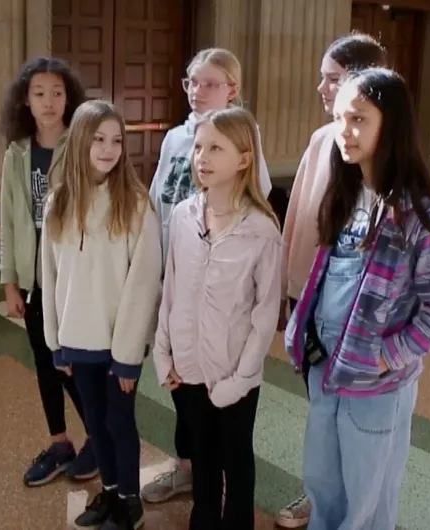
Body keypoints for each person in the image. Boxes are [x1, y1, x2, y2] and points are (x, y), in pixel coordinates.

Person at [284, 68, 430, 530]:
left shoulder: (423, 215)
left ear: (392, 125)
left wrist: (385, 356)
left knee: (368, 500)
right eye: (341, 117)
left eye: (359, 119)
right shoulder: (344, 195)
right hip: (326, 370)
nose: (345, 130)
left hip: (377, 387)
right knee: (322, 484)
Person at [143, 47, 272, 504]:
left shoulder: (258, 223)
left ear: (232, 89)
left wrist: (244, 375)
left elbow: (262, 309)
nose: (198, 90)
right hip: (182, 281)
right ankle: (189, 471)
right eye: (192, 81)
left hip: (227, 331)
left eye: (210, 82)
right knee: (193, 416)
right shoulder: (177, 149)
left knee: (231, 445)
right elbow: (160, 202)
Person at [275, 32, 387, 528]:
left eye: (333, 78)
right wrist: (288, 291)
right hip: (311, 300)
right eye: (323, 78)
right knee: (320, 413)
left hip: (355, 314)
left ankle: (346, 506)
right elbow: (298, 217)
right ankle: (319, 497)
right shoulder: (323, 139)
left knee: (352, 424)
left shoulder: (382, 160)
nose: (322, 87)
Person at [41, 100, 162, 530]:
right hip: (77, 339)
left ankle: (130, 503)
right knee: (95, 423)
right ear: (79, 141)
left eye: (116, 140)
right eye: (98, 139)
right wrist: (56, 343)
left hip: (116, 344)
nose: (109, 149)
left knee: (117, 422)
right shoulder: (59, 200)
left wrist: (128, 354)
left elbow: (143, 283)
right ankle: (109, 494)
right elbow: (50, 276)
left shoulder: (135, 203)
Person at [0, 57, 96, 487]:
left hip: (72, 275)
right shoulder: (17, 152)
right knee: (43, 361)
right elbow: (7, 219)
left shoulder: (82, 145)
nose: (49, 101)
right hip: (35, 279)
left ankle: (99, 437)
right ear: (26, 100)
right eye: (39, 93)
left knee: (70, 362)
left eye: (57, 92)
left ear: (69, 97)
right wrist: (9, 281)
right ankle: (60, 443)